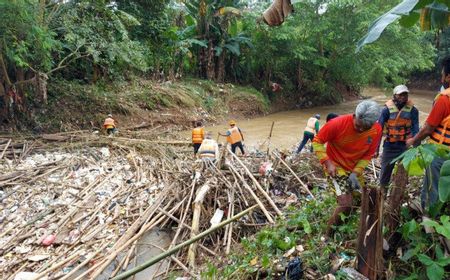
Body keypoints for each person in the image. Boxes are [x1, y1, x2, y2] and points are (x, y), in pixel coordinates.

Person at [312, 100, 382, 235]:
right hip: (336, 166)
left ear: (373, 124)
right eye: (358, 126)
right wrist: (327, 162)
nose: (360, 130)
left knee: (362, 199)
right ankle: (328, 234)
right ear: (355, 116)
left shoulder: (376, 130)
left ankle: (344, 225)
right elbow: (317, 141)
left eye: (365, 128)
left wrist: (355, 173)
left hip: (354, 168)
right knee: (345, 203)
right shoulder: (337, 124)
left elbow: (368, 155)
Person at [406, 57, 450, 210]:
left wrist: (414, 140)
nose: (441, 78)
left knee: (433, 184)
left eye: (442, 74)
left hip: (441, 151)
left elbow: (428, 128)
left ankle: (428, 215)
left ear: (448, 76)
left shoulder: (445, 99)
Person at [378, 85, 419, 188]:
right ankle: (382, 194)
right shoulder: (386, 110)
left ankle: (397, 196)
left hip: (405, 147)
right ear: (394, 96)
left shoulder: (413, 111)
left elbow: (415, 129)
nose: (403, 97)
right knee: (384, 174)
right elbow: (378, 130)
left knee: (402, 175)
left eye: (405, 94)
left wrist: (416, 147)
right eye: (400, 95)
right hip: (389, 146)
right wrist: (375, 148)